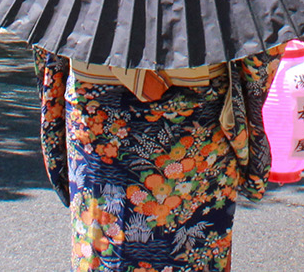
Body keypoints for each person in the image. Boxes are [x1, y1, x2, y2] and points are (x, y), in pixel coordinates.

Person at [36, 48, 280, 272]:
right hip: (196, 119)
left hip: (96, 112)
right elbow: (257, 44)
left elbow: (53, 30)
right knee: (193, 251)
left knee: (103, 244)